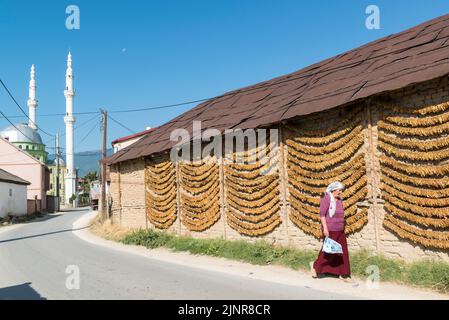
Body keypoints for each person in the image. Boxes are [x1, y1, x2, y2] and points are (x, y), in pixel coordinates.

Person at [311, 181, 353, 282]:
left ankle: (343, 274)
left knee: (341, 252)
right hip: (330, 229)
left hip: (340, 229)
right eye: (339, 190)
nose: (341, 192)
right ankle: (315, 267)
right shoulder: (326, 198)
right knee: (328, 251)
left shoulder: (339, 200)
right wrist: (325, 228)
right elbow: (322, 215)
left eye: (341, 190)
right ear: (334, 190)